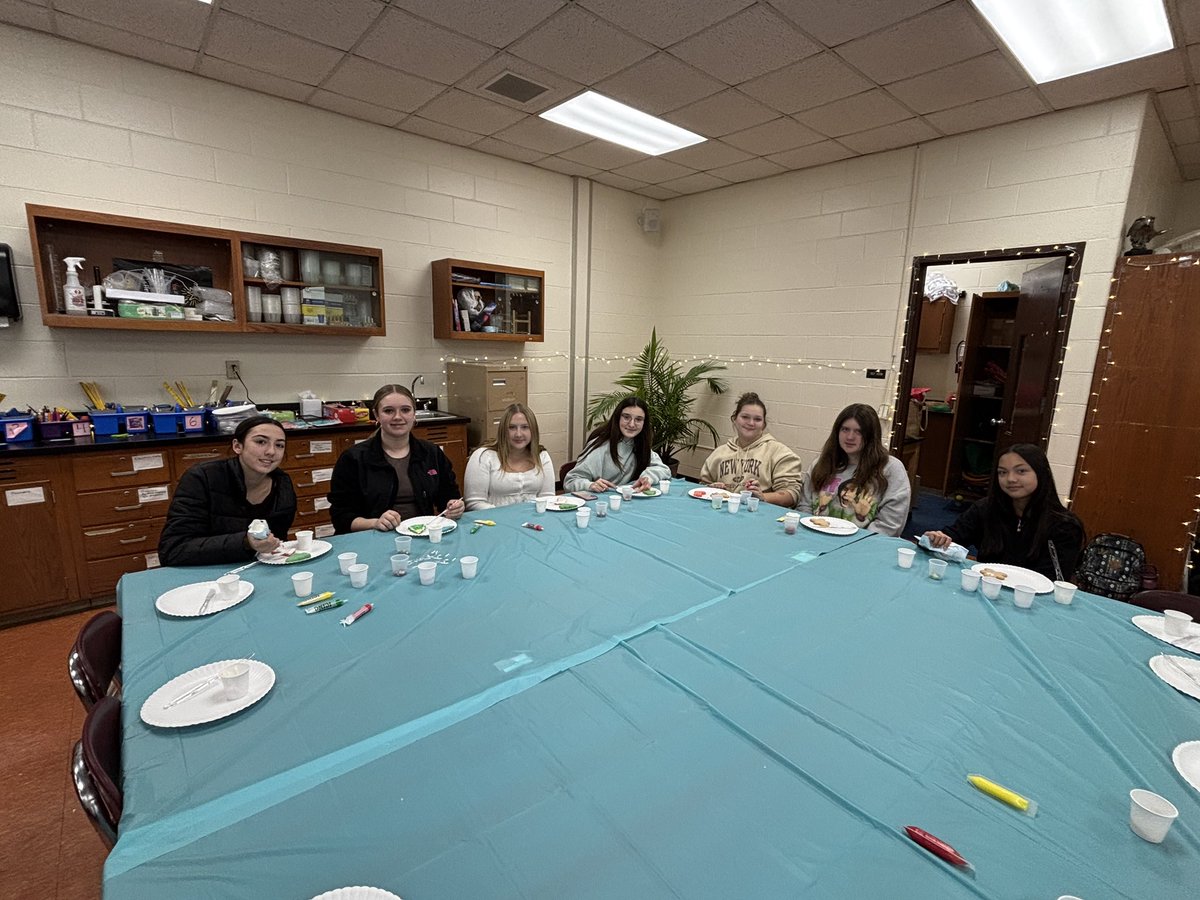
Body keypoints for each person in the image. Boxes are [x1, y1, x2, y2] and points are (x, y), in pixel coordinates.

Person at [925, 443, 1085, 580]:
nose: (1011, 479)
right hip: (984, 590)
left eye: (1021, 471)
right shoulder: (985, 509)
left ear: (1042, 474)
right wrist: (935, 539)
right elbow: (950, 540)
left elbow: (1054, 580)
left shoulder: (1064, 526)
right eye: (1002, 472)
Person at [159, 415, 296, 566]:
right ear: (238, 446)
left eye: (279, 445)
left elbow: (276, 542)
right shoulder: (202, 478)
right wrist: (245, 542)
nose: (271, 451)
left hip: (258, 570)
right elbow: (172, 550)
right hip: (206, 573)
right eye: (261, 442)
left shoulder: (282, 483)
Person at [328, 384, 464, 533]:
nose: (398, 417)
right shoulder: (353, 459)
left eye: (405, 410)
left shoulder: (431, 453)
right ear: (377, 415)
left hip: (422, 534)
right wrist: (375, 523)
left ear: (414, 414)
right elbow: (340, 517)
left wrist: (454, 507)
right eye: (388, 411)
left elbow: (449, 496)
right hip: (372, 537)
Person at [798, 403, 911, 535]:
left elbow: (890, 524)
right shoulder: (821, 463)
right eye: (845, 429)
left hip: (863, 547)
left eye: (859, 432)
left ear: (871, 436)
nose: (850, 437)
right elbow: (804, 506)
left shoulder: (891, 468)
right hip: (815, 538)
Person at [699, 391, 802, 507]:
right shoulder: (719, 453)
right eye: (745, 417)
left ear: (764, 424)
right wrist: (712, 489)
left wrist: (762, 496)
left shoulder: (780, 453)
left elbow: (792, 495)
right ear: (734, 419)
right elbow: (702, 487)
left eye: (757, 419)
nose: (751, 423)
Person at [563, 396, 671, 493]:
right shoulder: (600, 446)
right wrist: (590, 485)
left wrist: (648, 477)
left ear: (644, 423)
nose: (632, 424)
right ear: (618, 417)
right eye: (626, 417)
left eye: (638, 419)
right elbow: (570, 482)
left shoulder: (640, 444)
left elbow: (664, 470)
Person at [464, 403, 555, 510]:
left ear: (533, 431)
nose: (518, 434)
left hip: (534, 521)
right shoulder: (484, 456)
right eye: (512, 428)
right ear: (503, 430)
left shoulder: (542, 456)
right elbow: (474, 502)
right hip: (494, 521)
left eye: (525, 427)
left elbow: (548, 498)